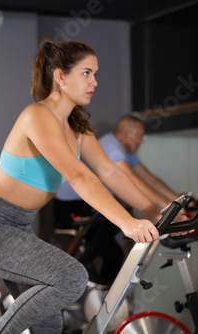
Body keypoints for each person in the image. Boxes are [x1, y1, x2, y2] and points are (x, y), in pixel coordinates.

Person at [0, 40, 163, 334]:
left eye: (95, 74)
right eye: (87, 73)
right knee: (72, 278)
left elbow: (109, 171)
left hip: (18, 226)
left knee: (49, 324)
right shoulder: (37, 115)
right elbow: (80, 177)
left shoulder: (76, 127)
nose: (95, 82)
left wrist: (156, 213)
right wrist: (127, 222)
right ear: (60, 76)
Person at [53, 114, 182, 283]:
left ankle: (105, 300)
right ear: (125, 134)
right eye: (139, 135)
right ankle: (81, 266)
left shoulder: (126, 152)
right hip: (69, 206)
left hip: (89, 205)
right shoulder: (111, 148)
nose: (142, 140)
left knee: (114, 255)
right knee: (119, 214)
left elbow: (149, 179)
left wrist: (176, 202)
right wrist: (164, 209)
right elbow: (132, 181)